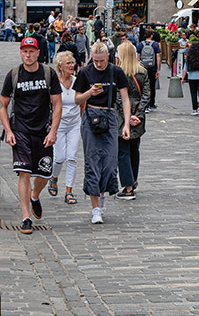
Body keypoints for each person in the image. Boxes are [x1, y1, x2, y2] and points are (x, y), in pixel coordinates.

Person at [0, 36, 62, 234]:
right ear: (21, 52)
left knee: (44, 173)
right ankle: (26, 217)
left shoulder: (48, 73)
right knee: (24, 172)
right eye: (24, 51)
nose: (28, 55)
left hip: (43, 131)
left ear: (37, 53)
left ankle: (35, 195)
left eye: (31, 51)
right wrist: (8, 131)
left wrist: (53, 131)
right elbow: (3, 105)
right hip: (20, 131)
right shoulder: (14, 74)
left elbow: (57, 104)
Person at [73, 42, 131, 224]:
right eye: (95, 60)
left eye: (101, 60)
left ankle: (103, 195)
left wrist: (127, 124)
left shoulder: (117, 71)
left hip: (110, 114)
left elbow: (125, 98)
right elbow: (76, 99)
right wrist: (90, 92)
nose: (98, 64)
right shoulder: (85, 72)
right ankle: (95, 208)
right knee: (92, 160)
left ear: (108, 57)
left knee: (110, 161)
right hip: (91, 114)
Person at [115, 40, 150, 199]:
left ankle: (128, 187)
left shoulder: (118, 72)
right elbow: (147, 95)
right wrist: (139, 114)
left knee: (123, 151)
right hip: (138, 115)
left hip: (122, 117)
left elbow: (118, 99)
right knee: (134, 150)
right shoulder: (142, 71)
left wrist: (128, 117)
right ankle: (134, 180)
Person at [49, 51, 81, 205]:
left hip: (75, 123)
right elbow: (50, 104)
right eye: (68, 63)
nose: (71, 65)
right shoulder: (55, 83)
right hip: (59, 124)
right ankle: (54, 178)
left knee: (72, 157)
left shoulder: (77, 81)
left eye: (72, 62)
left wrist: (79, 118)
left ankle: (69, 191)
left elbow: (82, 102)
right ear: (60, 66)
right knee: (59, 157)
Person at [136, 29, 161, 112]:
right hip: (152, 68)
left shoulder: (140, 45)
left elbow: (138, 57)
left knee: (143, 86)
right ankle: (151, 104)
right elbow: (158, 57)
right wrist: (158, 69)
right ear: (151, 36)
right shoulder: (155, 45)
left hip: (143, 68)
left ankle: (144, 105)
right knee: (152, 86)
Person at [182, 41, 199, 116]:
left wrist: (182, 78)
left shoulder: (189, 56)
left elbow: (185, 68)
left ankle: (194, 109)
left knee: (193, 93)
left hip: (191, 76)